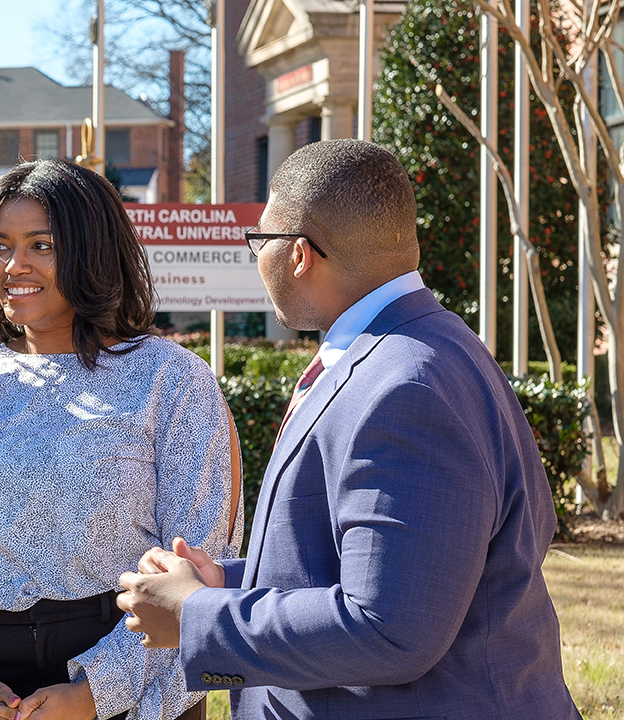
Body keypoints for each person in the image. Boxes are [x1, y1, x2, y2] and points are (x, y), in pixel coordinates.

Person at [117, 139, 581, 719]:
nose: (255, 258)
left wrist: (197, 616)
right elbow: (373, 565)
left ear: (299, 254)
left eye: (259, 241)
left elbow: (389, 629)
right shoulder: (423, 347)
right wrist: (229, 584)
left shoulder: (404, 388)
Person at [0, 159, 242, 720]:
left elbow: (197, 562)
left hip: (130, 680)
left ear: (92, 252)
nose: (13, 265)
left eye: (42, 246)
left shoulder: (172, 380)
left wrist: (96, 693)